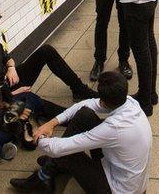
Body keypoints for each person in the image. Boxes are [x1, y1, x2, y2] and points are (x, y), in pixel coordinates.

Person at [9, 71, 151, 193]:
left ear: (104, 101)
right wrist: (52, 123)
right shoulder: (130, 102)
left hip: (117, 190)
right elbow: (85, 104)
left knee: (67, 153)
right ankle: (53, 167)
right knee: (85, 114)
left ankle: (44, 177)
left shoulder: (114, 128)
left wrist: (35, 134)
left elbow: (56, 148)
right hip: (125, 175)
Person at [0, 9, 97, 109]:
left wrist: (11, 68)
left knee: (46, 50)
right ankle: (73, 117)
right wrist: (14, 93)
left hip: (11, 80)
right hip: (2, 94)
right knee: (39, 104)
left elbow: (7, 58)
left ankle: (79, 89)